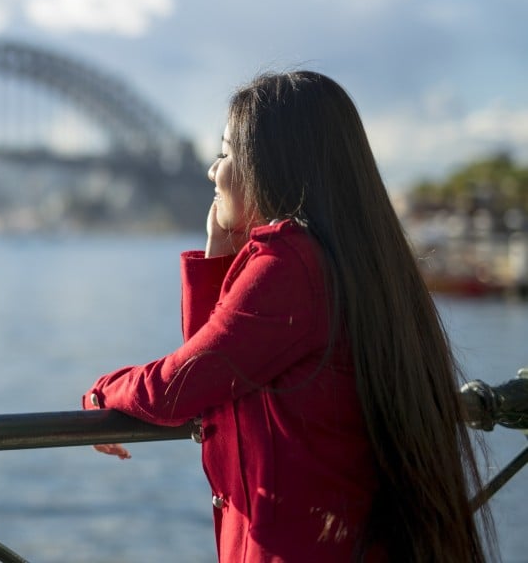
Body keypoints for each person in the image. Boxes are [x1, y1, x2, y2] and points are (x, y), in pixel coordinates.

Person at [83, 71, 491, 562]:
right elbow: (216, 384)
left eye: (226, 152)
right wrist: (220, 257)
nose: (213, 171)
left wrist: (99, 393)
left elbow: (180, 388)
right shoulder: (354, 258)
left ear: (270, 163)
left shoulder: (289, 266)